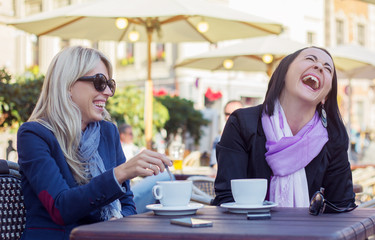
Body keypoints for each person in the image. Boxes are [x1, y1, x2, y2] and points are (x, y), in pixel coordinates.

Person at [17, 46, 172, 240]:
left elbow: (127, 203)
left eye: (110, 84)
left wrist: (120, 222)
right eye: (99, 82)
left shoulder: (108, 132)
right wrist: (120, 173)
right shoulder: (34, 134)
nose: (108, 92)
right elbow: (60, 208)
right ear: (68, 85)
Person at [213, 47, 356, 212]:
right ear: (283, 73)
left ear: (325, 96)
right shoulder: (242, 123)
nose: (319, 67)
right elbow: (227, 198)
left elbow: (342, 206)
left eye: (328, 68)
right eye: (310, 59)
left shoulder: (333, 136)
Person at [118, 123, 174, 213]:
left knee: (164, 180)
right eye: (130, 134)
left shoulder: (131, 147)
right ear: (122, 135)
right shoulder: (124, 148)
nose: (132, 136)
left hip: (128, 194)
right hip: (127, 195)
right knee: (166, 176)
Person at [210, 100, 244, 168]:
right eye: (227, 114)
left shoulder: (252, 137)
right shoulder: (219, 139)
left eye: (235, 114)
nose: (230, 117)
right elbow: (215, 166)